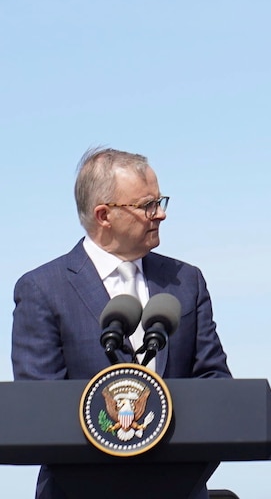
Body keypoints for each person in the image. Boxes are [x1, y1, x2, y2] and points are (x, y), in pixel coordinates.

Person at [12, 147, 231, 499]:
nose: (160, 214)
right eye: (147, 205)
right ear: (104, 215)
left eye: (161, 201)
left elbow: (216, 385)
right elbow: (41, 410)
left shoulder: (186, 281)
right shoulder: (43, 289)